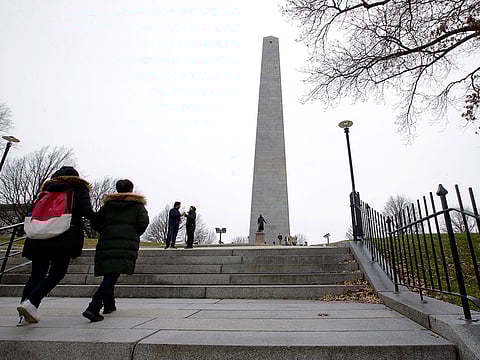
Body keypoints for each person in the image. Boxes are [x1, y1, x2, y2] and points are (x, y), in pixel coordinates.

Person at [17, 166, 95, 324]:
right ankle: (31, 302)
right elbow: (86, 210)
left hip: (39, 235)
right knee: (57, 272)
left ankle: (25, 311)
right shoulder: (78, 189)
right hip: (63, 236)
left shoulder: (46, 191)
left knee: (37, 274)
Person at [82, 179, 149, 322]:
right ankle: (94, 306)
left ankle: (109, 304)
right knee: (112, 275)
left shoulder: (107, 206)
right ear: (131, 189)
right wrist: (133, 233)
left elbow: (95, 221)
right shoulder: (138, 206)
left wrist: (106, 231)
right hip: (126, 243)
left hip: (107, 242)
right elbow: (143, 223)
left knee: (110, 273)